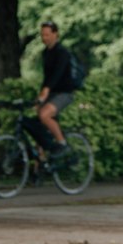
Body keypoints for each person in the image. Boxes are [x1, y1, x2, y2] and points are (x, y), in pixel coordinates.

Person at [31, 21, 75, 159]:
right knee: (38, 126)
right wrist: (41, 96)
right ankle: (41, 164)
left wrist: (46, 90)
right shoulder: (46, 53)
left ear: (56, 34)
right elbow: (47, 76)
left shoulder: (62, 52)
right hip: (52, 93)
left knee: (44, 115)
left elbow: (57, 74)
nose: (44, 38)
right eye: (42, 35)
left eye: (47, 35)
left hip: (64, 93)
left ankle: (62, 143)